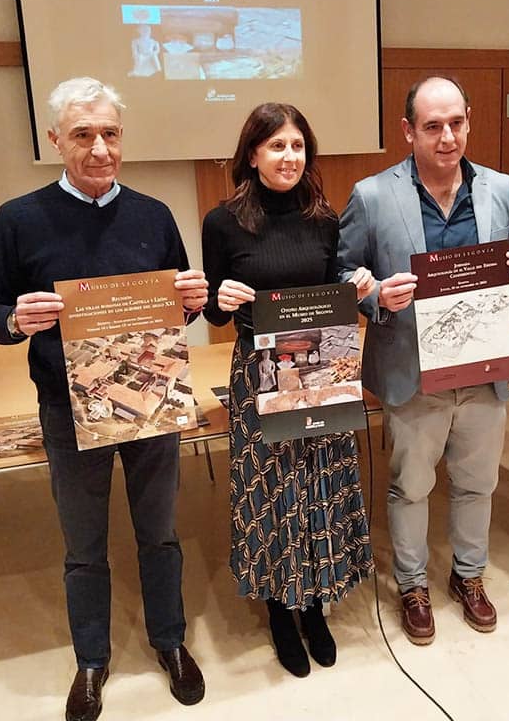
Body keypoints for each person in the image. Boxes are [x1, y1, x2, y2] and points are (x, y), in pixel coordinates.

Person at [0, 77, 207, 721]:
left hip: (152, 400)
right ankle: (92, 660)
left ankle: (171, 642)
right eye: (83, 135)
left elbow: (177, 311)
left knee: (159, 533)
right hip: (68, 407)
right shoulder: (20, 219)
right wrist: (16, 319)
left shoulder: (154, 215)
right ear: (55, 141)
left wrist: (193, 304)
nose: (100, 148)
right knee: (84, 544)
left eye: (111, 133)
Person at [337, 76, 509, 645]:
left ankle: (469, 576)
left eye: (455, 123)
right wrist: (374, 293)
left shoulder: (502, 189)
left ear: (469, 121)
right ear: (409, 132)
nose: (446, 137)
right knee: (412, 486)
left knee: (478, 482)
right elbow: (341, 272)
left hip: (482, 368)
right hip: (412, 369)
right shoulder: (372, 195)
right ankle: (412, 585)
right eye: (432, 126)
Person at [201, 102, 376, 678]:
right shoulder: (222, 222)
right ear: (252, 154)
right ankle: (280, 608)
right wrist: (218, 299)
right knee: (274, 492)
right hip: (257, 374)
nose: (289, 156)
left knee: (323, 483)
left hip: (323, 368)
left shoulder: (326, 219)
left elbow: (335, 294)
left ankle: (317, 604)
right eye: (276, 145)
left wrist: (358, 286)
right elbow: (211, 308)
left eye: (298, 145)